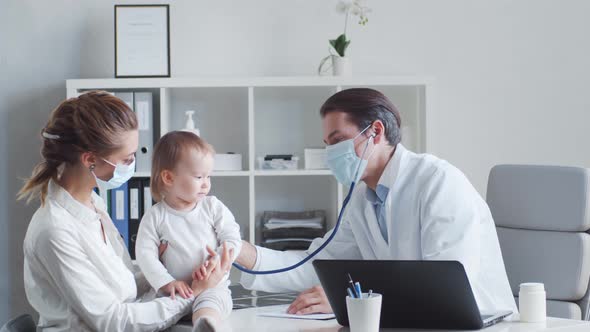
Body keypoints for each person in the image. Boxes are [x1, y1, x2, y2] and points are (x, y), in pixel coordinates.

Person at [235, 88, 517, 316]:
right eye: (327, 145)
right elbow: (316, 265)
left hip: (477, 322)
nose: (331, 153)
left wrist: (353, 301)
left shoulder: (438, 181)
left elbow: (445, 285)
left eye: (338, 141)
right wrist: (238, 251)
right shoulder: (361, 199)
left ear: (376, 132)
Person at [19, 91, 231, 331]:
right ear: (90, 160)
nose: (132, 165)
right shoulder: (55, 230)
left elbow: (118, 285)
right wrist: (194, 292)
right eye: (127, 158)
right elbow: (113, 321)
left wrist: (164, 274)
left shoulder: (92, 205)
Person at [135, 131, 241, 332]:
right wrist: (166, 282)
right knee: (150, 308)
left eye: (208, 176)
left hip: (210, 285)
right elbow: (145, 255)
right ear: (168, 177)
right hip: (173, 290)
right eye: (199, 176)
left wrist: (217, 261)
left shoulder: (212, 207)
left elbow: (232, 236)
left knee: (212, 304)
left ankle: (205, 323)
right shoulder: (155, 216)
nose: (206, 183)